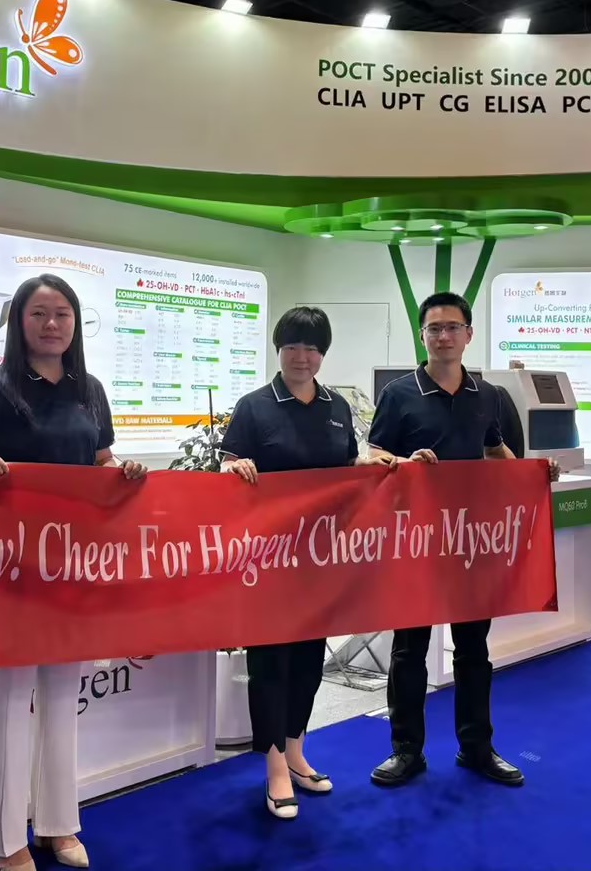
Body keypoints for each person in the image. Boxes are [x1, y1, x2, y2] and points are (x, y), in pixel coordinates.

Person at [0, 273, 147, 870]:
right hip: (12, 569)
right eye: (38, 314)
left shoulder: (90, 390)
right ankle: (6, 838)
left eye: (62, 313)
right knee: (10, 702)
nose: (51, 324)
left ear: (75, 323)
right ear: (19, 321)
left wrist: (122, 472)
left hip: (73, 566)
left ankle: (59, 825)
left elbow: (99, 460)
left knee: (64, 697)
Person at [364, 291, 557, 790]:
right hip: (415, 543)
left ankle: (476, 747)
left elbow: (495, 451)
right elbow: (373, 455)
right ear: (422, 336)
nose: (443, 336)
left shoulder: (488, 395)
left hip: (470, 544)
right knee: (409, 650)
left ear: (469, 335)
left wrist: (532, 473)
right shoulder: (398, 394)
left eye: (452, 327)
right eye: (434, 328)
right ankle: (406, 750)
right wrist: (404, 463)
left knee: (473, 649)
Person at [220, 306, 380, 820]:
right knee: (271, 663)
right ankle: (273, 767)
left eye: (312, 347)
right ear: (278, 350)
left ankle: (296, 751)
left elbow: (347, 465)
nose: (302, 356)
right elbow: (228, 464)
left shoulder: (336, 407)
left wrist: (372, 465)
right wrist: (233, 468)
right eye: (292, 346)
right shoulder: (254, 406)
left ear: (323, 354)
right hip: (267, 562)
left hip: (319, 561)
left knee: (309, 660)